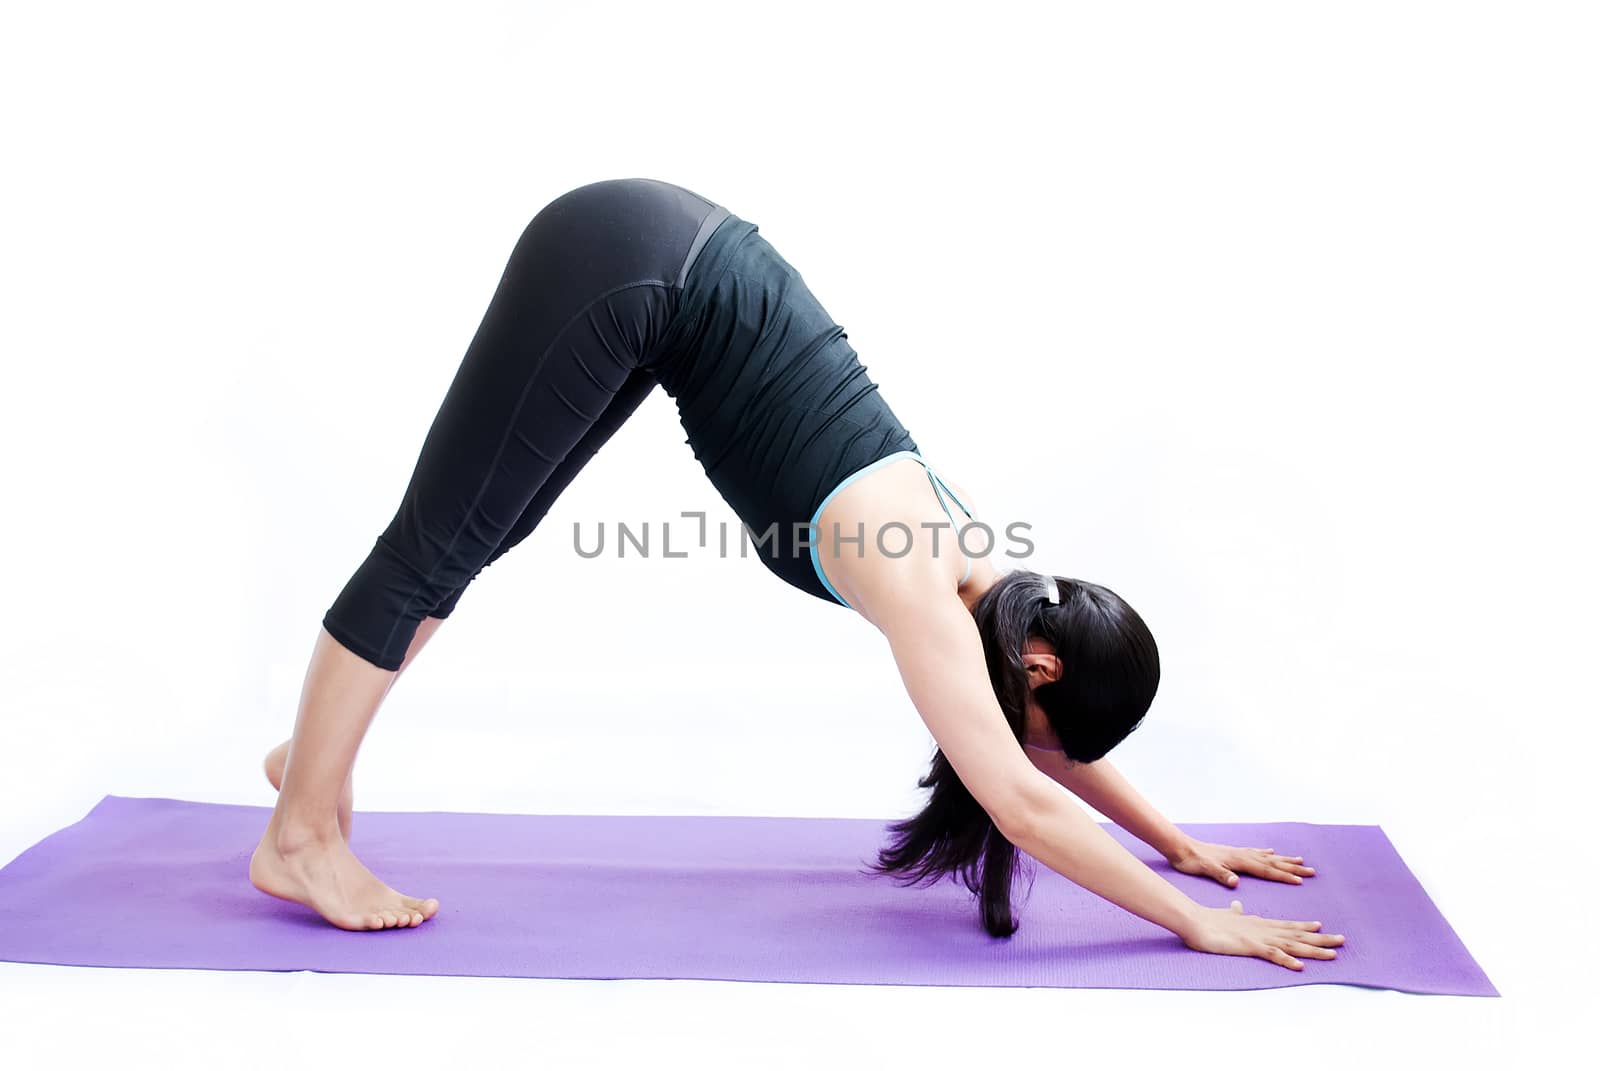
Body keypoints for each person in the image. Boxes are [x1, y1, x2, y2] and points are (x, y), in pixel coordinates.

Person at [251, 177, 1344, 972]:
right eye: (1049, 725)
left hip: (665, 271)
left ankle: (317, 751)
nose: (1039, 750)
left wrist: (1177, 842)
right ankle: (300, 836)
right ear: (1042, 664)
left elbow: (1035, 748)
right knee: (435, 544)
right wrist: (1192, 920)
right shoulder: (918, 575)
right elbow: (1019, 798)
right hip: (630, 263)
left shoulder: (994, 591)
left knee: (484, 532)